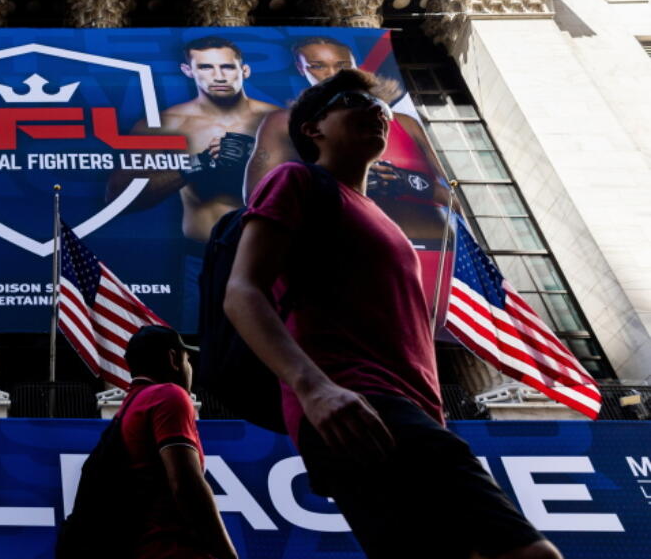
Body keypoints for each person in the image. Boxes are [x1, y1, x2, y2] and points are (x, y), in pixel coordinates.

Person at [223, 69, 559, 559]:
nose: (375, 110)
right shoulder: (295, 180)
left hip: (399, 414)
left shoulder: (382, 217)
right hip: (359, 405)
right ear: (313, 129)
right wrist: (313, 387)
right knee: (528, 554)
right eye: (351, 101)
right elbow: (242, 291)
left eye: (378, 105)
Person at [242, 36, 452, 309]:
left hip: (437, 256)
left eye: (342, 64)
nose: (331, 73)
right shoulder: (285, 124)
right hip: (348, 259)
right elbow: (258, 202)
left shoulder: (403, 124)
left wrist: (412, 185)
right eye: (318, 66)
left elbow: (458, 202)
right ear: (301, 67)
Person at [107, 36, 278, 324]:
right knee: (202, 351)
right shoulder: (164, 124)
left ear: (244, 70)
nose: (219, 76)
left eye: (227, 67)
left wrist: (257, 157)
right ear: (189, 71)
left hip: (273, 258)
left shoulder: (279, 121)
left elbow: (314, 184)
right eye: (207, 67)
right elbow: (118, 196)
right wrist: (197, 164)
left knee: (281, 352)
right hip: (202, 259)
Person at [118, 325, 237, 559]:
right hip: (175, 549)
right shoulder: (169, 395)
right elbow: (186, 484)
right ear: (173, 358)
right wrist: (227, 554)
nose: (190, 368)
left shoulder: (128, 408)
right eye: (188, 359)